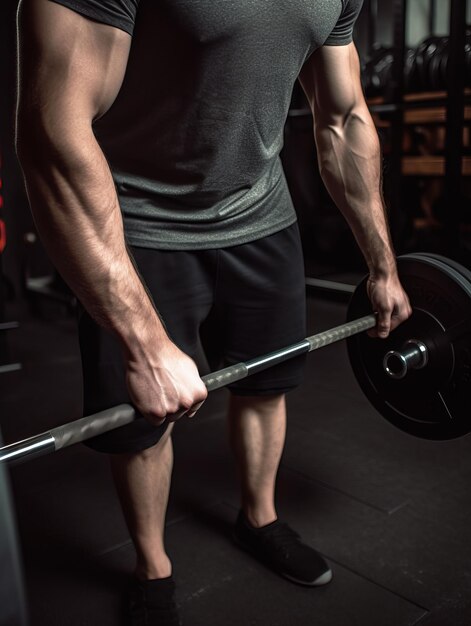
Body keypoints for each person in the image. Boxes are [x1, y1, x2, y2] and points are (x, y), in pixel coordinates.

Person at [15, 0, 412, 624]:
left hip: (261, 213)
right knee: (146, 420)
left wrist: (383, 266)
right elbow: (53, 129)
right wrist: (144, 345)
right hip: (135, 224)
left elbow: (343, 116)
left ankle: (260, 518)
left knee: (267, 384)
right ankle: (153, 567)